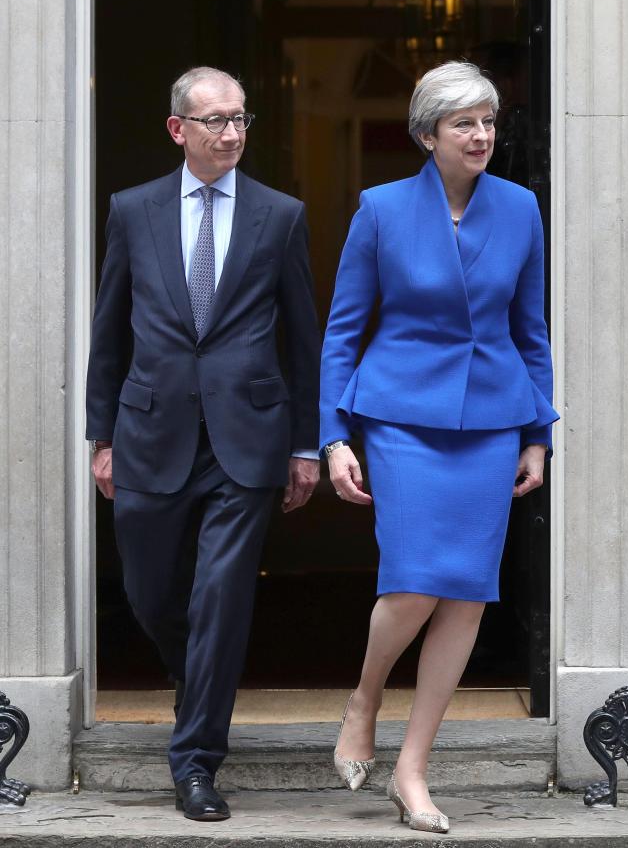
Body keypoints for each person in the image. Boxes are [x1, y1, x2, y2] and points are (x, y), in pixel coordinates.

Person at [319, 61, 559, 834]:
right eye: (464, 122)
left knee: (465, 594)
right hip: (399, 418)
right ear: (428, 134)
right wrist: (332, 435)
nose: (482, 134)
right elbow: (342, 331)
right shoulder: (380, 210)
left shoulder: (521, 209)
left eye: (488, 120)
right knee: (416, 579)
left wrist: (536, 434)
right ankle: (364, 697)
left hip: (491, 422)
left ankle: (412, 768)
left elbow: (531, 332)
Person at [86, 66, 321, 821]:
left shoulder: (280, 215)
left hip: (245, 438)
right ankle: (201, 677)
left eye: (239, 119)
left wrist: (306, 444)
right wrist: (100, 435)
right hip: (148, 430)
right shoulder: (133, 209)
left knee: (221, 595)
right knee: (149, 593)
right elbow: (108, 330)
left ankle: (194, 762)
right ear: (177, 129)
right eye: (214, 120)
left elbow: (304, 340)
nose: (230, 133)